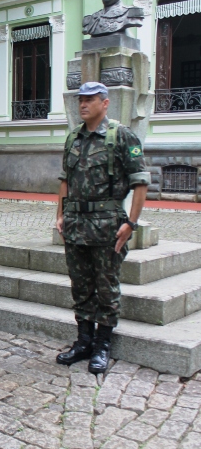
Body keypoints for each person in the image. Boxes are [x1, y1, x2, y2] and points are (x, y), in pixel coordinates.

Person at [55, 82, 150, 374]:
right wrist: (60, 214)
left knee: (106, 288)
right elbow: (65, 179)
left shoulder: (121, 136)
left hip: (108, 227)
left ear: (105, 103)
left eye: (90, 100)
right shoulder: (73, 138)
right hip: (76, 225)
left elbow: (140, 181)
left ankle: (102, 345)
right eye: (80, 100)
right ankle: (84, 341)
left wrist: (131, 223)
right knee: (81, 286)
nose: (83, 105)